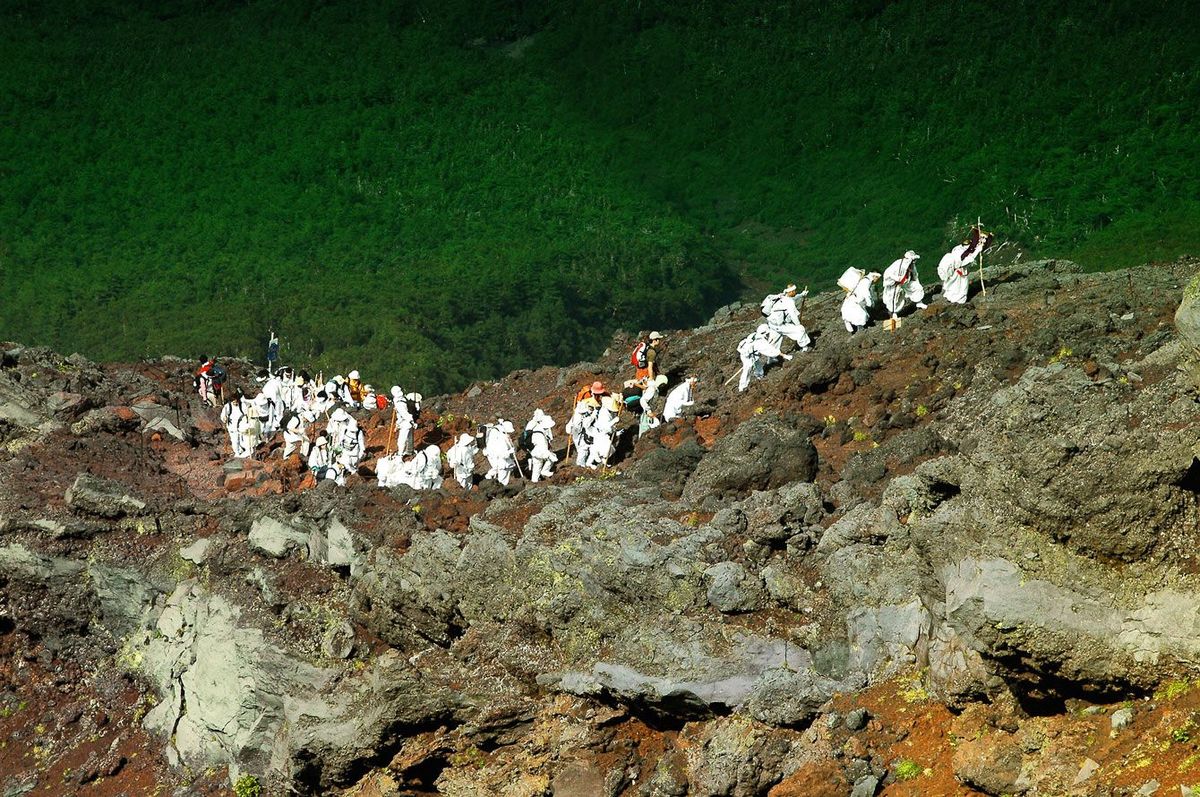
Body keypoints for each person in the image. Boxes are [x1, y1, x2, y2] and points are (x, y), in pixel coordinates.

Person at [937, 230, 991, 305]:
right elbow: (967, 260)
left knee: (953, 286)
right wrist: (977, 251)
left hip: (956, 271)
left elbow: (971, 248)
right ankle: (958, 301)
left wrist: (979, 244)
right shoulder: (960, 255)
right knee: (960, 287)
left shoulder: (957, 248)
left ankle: (952, 298)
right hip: (958, 273)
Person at [737, 325, 791, 392]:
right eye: (767, 333)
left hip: (752, 355)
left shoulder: (754, 335)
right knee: (747, 371)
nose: (768, 334)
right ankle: (742, 388)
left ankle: (759, 376)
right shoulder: (760, 342)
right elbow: (772, 351)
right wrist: (784, 356)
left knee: (758, 366)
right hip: (747, 357)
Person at [762, 284, 812, 350]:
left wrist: (801, 295)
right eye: (794, 291)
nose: (795, 292)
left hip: (772, 325)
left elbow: (792, 298)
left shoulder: (781, 296)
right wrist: (798, 324)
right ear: (791, 292)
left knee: (773, 345)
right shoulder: (789, 302)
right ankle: (805, 348)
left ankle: (772, 360)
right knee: (800, 330)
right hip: (780, 326)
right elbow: (793, 315)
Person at [882, 250, 927, 315]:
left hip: (906, 282)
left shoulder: (911, 265)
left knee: (917, 287)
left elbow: (914, 274)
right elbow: (888, 273)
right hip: (895, 284)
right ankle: (894, 312)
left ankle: (919, 302)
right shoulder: (898, 264)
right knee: (895, 297)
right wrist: (896, 278)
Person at [584, 396, 622, 469]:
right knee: (604, 448)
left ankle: (603, 461)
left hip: (602, 433)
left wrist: (614, 428)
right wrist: (614, 422)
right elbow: (605, 427)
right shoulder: (604, 414)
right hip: (600, 433)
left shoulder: (608, 412)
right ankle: (592, 463)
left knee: (602, 448)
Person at [524, 409, 557, 482]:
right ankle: (545, 471)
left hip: (534, 451)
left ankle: (534, 481)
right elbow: (542, 448)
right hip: (539, 452)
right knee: (552, 457)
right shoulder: (539, 434)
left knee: (537, 467)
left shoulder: (537, 429)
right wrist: (550, 455)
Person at [566, 397, 599, 467]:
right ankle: (580, 466)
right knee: (582, 450)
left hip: (578, 433)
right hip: (578, 433)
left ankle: (583, 464)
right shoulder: (580, 413)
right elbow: (586, 424)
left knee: (583, 449)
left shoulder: (581, 410)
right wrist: (592, 416)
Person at [484, 420, 518, 485]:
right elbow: (503, 454)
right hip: (501, 462)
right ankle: (497, 487)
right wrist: (510, 451)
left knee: (501, 474)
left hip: (501, 461)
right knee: (502, 479)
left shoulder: (499, 433)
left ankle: (492, 481)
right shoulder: (501, 439)